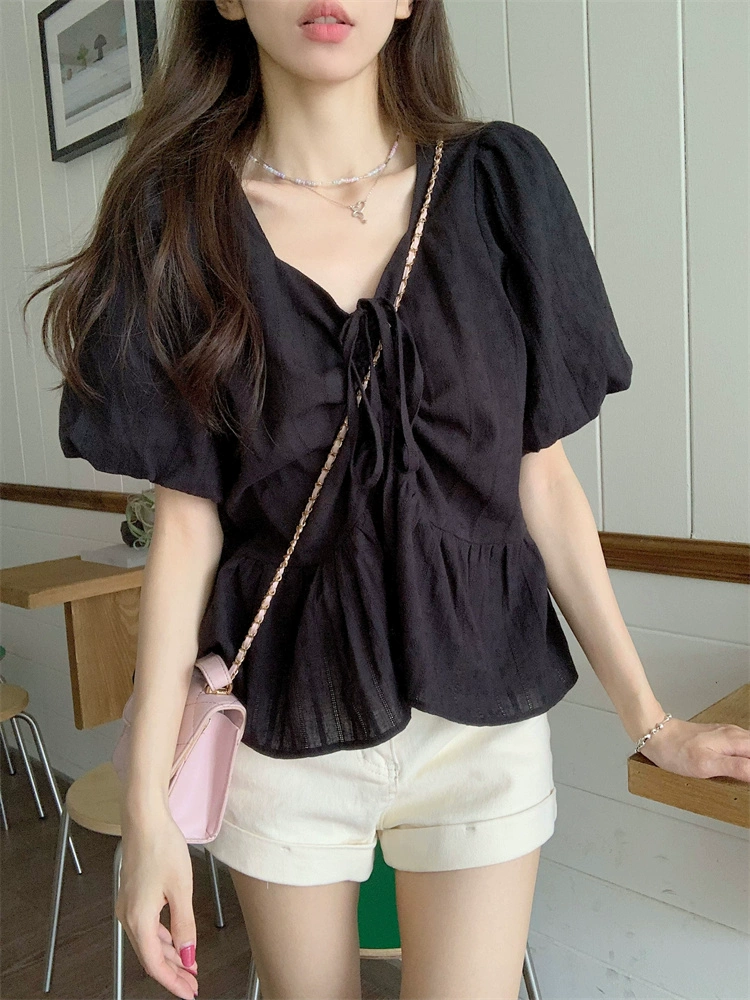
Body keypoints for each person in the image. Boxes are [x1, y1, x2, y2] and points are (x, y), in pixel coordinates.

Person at [25, 2, 750, 999]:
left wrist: (654, 721)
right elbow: (187, 527)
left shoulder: (499, 186)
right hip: (286, 719)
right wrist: (149, 808)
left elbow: (541, 479)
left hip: (480, 722)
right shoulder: (179, 220)